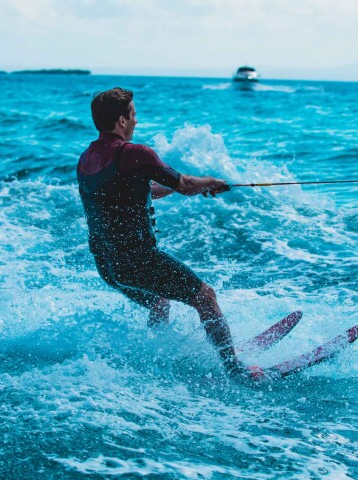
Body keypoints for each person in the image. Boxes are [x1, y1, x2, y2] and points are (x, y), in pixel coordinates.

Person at [77, 87, 246, 378]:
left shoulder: (87, 158)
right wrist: (210, 182)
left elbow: (135, 191)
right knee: (205, 297)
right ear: (121, 120)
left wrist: (191, 188)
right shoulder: (134, 153)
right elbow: (187, 183)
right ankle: (235, 370)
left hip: (107, 265)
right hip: (137, 261)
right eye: (133, 115)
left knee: (158, 301)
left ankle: (154, 353)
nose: (136, 122)